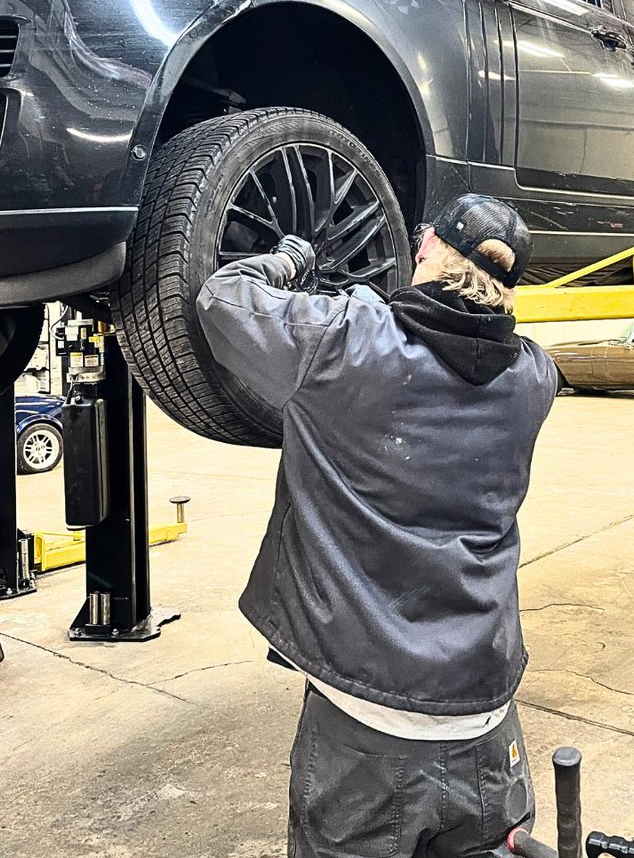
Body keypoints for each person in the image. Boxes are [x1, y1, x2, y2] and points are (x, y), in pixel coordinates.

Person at [198, 193, 559, 858]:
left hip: (368, 724)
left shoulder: (347, 340)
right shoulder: (535, 377)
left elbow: (222, 300)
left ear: (425, 253)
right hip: (487, 724)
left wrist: (289, 258)